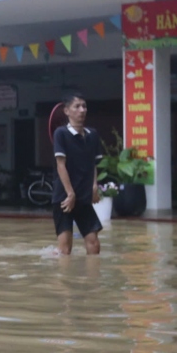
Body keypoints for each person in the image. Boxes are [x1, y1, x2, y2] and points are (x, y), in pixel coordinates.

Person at [52, 92, 103, 256]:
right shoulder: (61, 133)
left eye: (84, 106)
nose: (82, 110)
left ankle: (92, 281)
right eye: (77, 106)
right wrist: (70, 193)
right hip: (64, 199)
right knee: (65, 249)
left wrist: (94, 186)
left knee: (94, 244)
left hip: (83, 197)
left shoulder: (93, 135)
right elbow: (61, 165)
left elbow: (93, 164)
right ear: (67, 111)